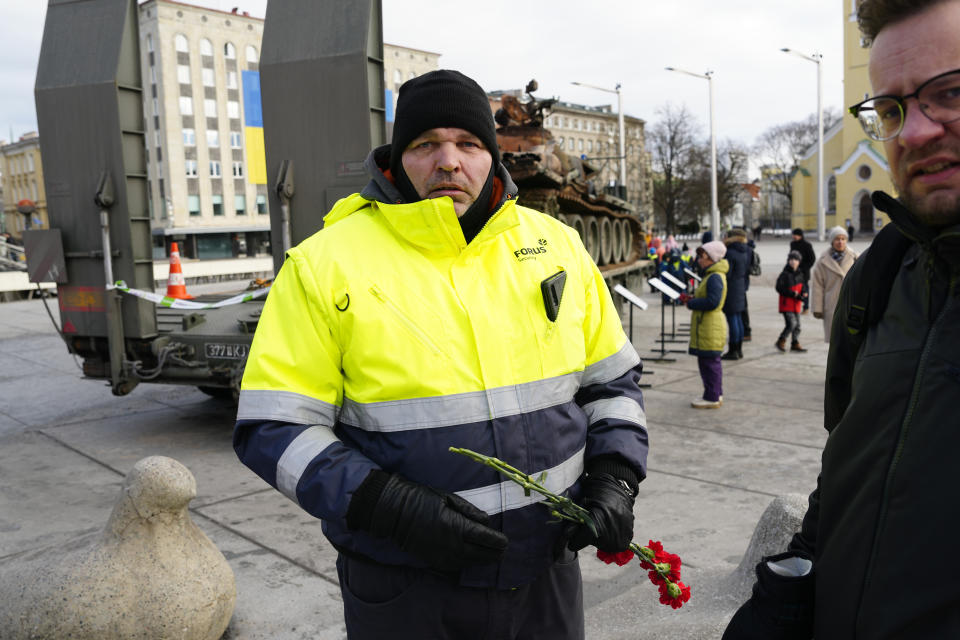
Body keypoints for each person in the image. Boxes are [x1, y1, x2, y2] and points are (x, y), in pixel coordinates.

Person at [233, 70, 648, 640]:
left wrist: (616, 476)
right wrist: (387, 506)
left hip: (546, 576)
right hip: (408, 586)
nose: (449, 161)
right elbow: (273, 427)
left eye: (468, 144)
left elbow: (613, 384)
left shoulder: (557, 245)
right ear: (398, 158)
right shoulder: (322, 265)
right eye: (426, 144)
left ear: (490, 156)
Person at [723, 1, 960, 637]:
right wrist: (798, 578)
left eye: (952, 93)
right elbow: (849, 467)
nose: (911, 133)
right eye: (890, 110)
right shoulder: (879, 278)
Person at [683, 240, 728, 409]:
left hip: (710, 325)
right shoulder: (711, 275)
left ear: (711, 258)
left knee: (709, 363)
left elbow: (713, 302)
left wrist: (693, 303)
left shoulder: (714, 276)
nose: (699, 260)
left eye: (702, 257)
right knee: (709, 362)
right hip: (708, 325)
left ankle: (712, 396)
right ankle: (715, 393)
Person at [810, 226, 859, 342]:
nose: (840, 242)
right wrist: (817, 308)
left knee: (852, 339)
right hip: (831, 304)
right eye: (837, 239)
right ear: (832, 241)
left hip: (851, 303)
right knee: (835, 340)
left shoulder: (855, 257)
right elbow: (817, 286)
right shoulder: (822, 261)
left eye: (843, 239)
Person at [720, 228, 750, 360]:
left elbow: (727, 272)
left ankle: (733, 350)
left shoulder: (730, 252)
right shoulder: (744, 251)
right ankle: (739, 349)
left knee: (732, 320)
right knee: (738, 319)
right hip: (740, 288)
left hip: (731, 289)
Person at [774, 250, 807, 353]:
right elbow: (779, 287)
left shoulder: (800, 274)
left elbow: (804, 286)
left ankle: (795, 343)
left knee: (797, 325)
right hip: (786, 304)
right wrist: (791, 293)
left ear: (799, 261)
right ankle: (781, 340)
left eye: (795, 259)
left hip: (796, 303)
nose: (793, 262)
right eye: (791, 259)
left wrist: (804, 292)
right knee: (791, 324)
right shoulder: (784, 274)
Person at [789, 228, 816, 312]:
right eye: (793, 235)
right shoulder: (792, 244)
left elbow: (812, 258)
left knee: (804, 289)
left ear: (800, 236)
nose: (794, 236)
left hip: (804, 272)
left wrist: (805, 267)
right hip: (794, 271)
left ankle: (806, 306)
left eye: (796, 235)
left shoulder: (807, 245)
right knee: (794, 288)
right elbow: (790, 256)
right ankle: (794, 305)